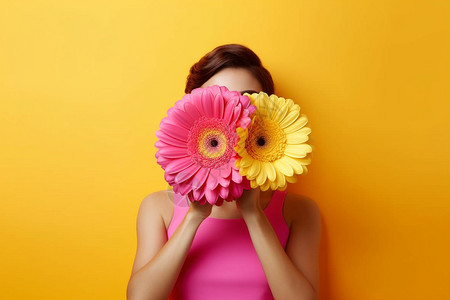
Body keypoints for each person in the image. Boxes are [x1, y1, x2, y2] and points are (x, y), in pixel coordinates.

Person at [126, 44, 321, 300]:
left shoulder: (298, 210)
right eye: (220, 100)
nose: (233, 114)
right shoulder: (159, 207)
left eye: (247, 99)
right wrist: (195, 216)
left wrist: (254, 214)